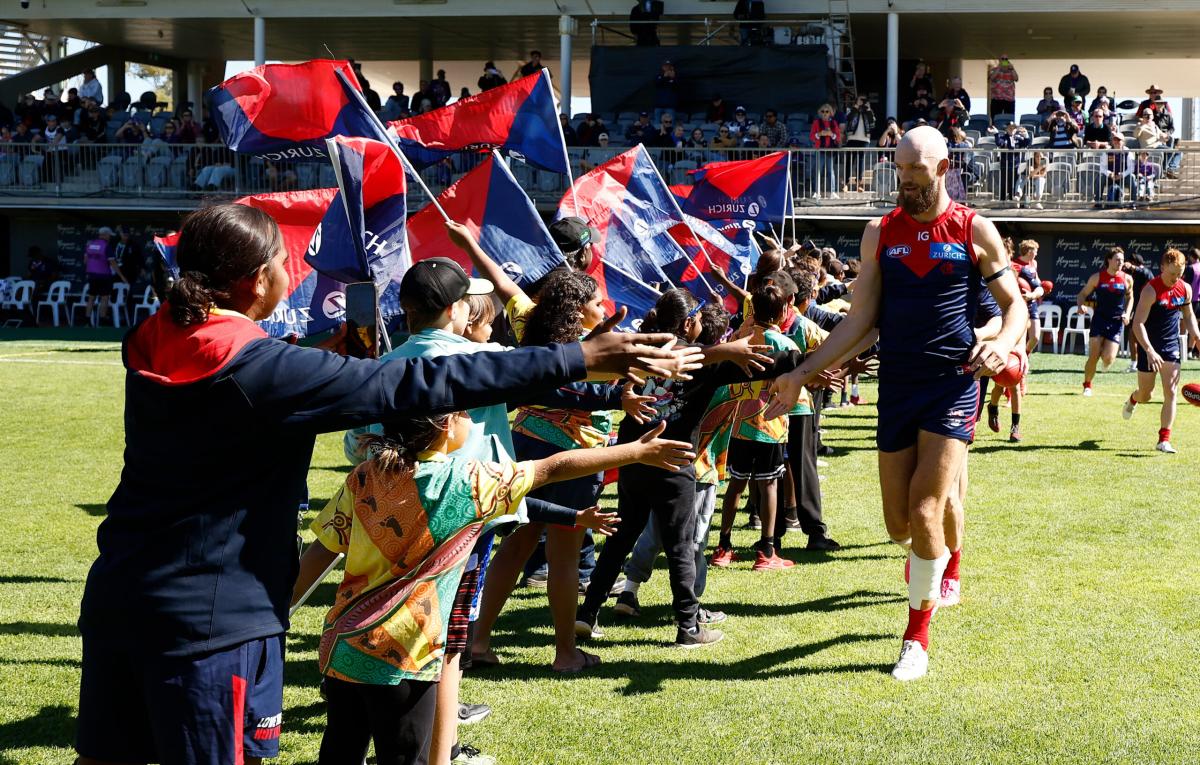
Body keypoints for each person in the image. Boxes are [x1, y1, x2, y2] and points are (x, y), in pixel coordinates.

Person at [72, 203, 700, 765]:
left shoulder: (151, 339)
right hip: (213, 623)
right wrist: (578, 358)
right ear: (261, 281)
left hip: (120, 598)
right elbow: (408, 387)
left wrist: (319, 347)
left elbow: (252, 373)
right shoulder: (262, 370)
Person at [763, 126, 1027, 681]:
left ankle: (916, 637)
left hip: (953, 384)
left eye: (916, 170)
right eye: (900, 170)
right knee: (898, 525)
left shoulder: (974, 228)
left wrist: (1001, 344)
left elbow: (1015, 308)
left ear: (944, 166)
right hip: (897, 387)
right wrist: (803, 375)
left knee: (928, 509)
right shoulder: (878, 232)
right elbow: (861, 320)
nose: (906, 181)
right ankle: (930, 564)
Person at [296, 407, 692, 765]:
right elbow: (554, 467)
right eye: (465, 411)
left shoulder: (364, 477)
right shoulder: (470, 482)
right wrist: (635, 452)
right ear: (447, 426)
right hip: (406, 658)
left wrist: (282, 608)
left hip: (343, 645)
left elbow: (320, 552)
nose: (472, 417)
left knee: (339, 752)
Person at [576, 288, 796, 648]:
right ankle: (689, 627)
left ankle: (586, 613)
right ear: (690, 322)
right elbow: (773, 362)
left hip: (633, 458)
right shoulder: (704, 364)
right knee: (680, 545)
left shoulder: (639, 353)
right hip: (674, 464)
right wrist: (815, 360)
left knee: (622, 538)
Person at [616, 303, 734, 617]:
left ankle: (629, 591)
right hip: (699, 468)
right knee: (692, 541)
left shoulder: (670, 369)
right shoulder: (717, 378)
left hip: (657, 460)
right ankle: (691, 611)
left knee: (652, 532)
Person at [712, 282, 801, 570]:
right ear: (785, 310)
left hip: (739, 422)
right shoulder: (787, 345)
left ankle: (723, 547)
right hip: (770, 424)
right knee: (769, 485)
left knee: (736, 484)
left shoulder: (740, 338)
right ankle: (767, 551)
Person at [1124, 249, 1200, 453]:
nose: (1176, 278)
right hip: (1149, 345)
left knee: (1171, 392)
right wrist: (1149, 351)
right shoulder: (1150, 290)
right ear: (1162, 267)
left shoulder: (1184, 289)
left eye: (1180, 273)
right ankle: (1133, 399)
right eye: (1173, 273)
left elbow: (1189, 315)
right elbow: (1137, 323)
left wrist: (1197, 336)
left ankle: (1163, 439)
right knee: (1146, 394)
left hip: (1171, 346)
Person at [1078, 247, 1134, 396]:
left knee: (1109, 359)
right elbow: (1082, 294)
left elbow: (1130, 298)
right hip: (1099, 320)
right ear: (1109, 260)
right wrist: (1080, 305)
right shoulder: (1097, 277)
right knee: (1093, 355)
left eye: (1122, 260)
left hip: (1116, 322)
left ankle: (1105, 355)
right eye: (1117, 259)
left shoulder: (1127, 279)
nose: (1120, 262)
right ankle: (1087, 385)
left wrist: (1127, 314)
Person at [82, 226, 127, 325]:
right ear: (105, 235)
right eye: (109, 235)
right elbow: (113, 263)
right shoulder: (106, 246)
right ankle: (102, 321)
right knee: (105, 298)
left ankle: (87, 321)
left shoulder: (90, 245)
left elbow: (85, 261)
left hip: (92, 276)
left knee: (91, 298)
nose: (110, 237)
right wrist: (122, 276)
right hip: (104, 276)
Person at [1123, 252, 1156, 372]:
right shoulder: (1132, 275)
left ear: (1134, 263)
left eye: (1131, 264)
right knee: (1132, 336)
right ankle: (1134, 364)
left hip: (1148, 312)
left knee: (1145, 338)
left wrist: (1131, 267)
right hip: (1136, 310)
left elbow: (1145, 273)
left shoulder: (1146, 272)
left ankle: (1148, 361)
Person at [842, 96, 875, 192]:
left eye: (864, 100)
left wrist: (868, 109)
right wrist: (856, 106)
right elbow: (848, 118)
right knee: (849, 161)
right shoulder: (851, 109)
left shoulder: (869, 111)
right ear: (856, 101)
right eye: (861, 99)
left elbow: (872, 123)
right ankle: (846, 183)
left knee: (860, 162)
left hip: (864, 139)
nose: (862, 102)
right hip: (852, 138)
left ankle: (859, 184)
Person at [810, 104, 841, 199]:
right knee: (817, 171)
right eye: (822, 111)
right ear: (820, 113)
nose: (824, 113)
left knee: (830, 171)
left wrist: (831, 134)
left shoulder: (834, 123)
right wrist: (819, 134)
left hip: (830, 150)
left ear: (830, 113)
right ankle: (816, 192)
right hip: (820, 150)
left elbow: (838, 138)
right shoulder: (816, 122)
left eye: (827, 111)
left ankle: (832, 192)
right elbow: (811, 137)